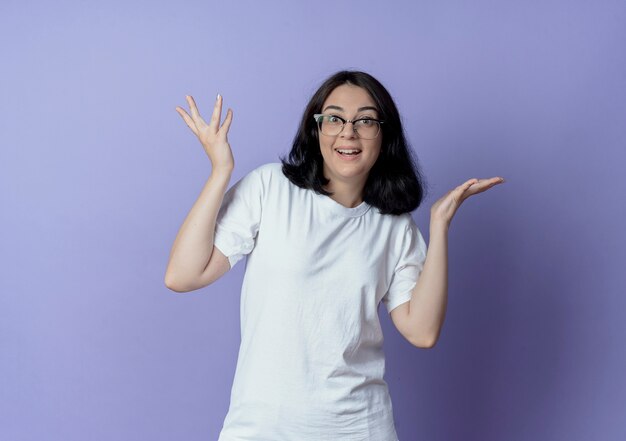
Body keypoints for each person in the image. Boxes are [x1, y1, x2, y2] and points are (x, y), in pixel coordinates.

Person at [164, 70, 504, 440]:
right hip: (263, 428)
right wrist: (221, 171)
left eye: (365, 120)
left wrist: (439, 226)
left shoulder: (394, 226)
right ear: (317, 129)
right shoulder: (270, 187)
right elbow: (182, 275)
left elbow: (421, 331)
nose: (348, 132)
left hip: (361, 428)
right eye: (335, 118)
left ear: (383, 134)